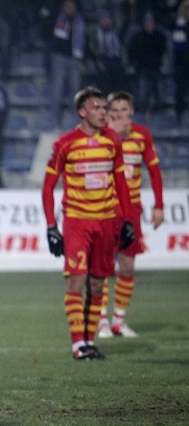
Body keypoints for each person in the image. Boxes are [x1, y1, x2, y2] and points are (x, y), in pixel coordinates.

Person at [41, 86, 136, 361]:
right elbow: (48, 188)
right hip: (77, 223)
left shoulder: (113, 141)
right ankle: (77, 345)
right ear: (82, 112)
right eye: (97, 108)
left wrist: (127, 221)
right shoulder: (65, 144)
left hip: (106, 223)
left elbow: (121, 183)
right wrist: (51, 227)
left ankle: (90, 342)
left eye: (104, 108)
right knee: (76, 281)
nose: (103, 112)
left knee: (97, 285)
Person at [97, 90, 165, 339]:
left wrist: (159, 205)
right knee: (103, 265)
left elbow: (154, 171)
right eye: (114, 110)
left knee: (127, 265)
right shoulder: (101, 135)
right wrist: (113, 134)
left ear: (132, 111)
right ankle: (101, 320)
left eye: (123, 109)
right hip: (105, 208)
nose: (119, 114)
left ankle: (119, 321)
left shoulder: (142, 135)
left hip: (132, 211)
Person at [126, 12, 168, 114]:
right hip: (142, 68)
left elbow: (164, 51)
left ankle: (159, 109)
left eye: (151, 23)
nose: (149, 25)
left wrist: (163, 65)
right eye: (147, 23)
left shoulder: (159, 36)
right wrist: (133, 64)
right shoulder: (137, 38)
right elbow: (131, 52)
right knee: (143, 91)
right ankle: (142, 110)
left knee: (159, 91)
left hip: (156, 68)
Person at [170, 0, 189, 125]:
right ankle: (179, 117)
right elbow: (179, 47)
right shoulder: (179, 25)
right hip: (182, 63)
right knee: (180, 90)